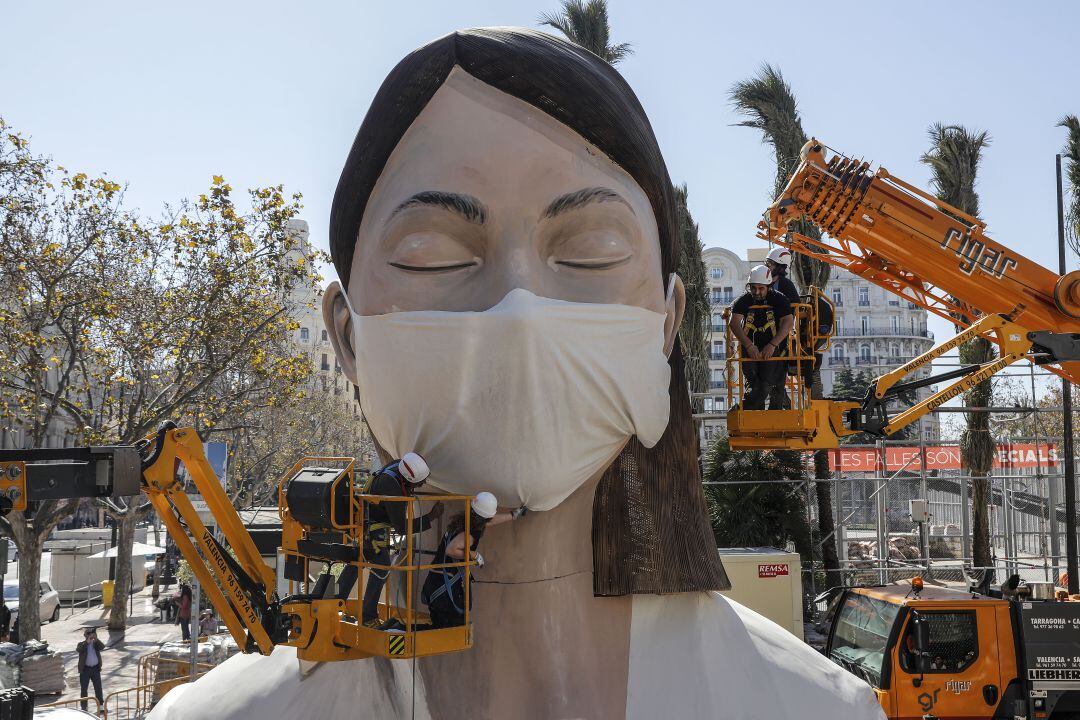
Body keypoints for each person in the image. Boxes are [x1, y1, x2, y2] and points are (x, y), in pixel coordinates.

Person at [336, 453, 443, 627]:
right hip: (372, 528)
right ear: (408, 478)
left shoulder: (398, 466)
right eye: (419, 482)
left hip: (363, 521)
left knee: (356, 562)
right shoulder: (392, 487)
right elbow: (402, 527)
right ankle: (368, 617)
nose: (423, 484)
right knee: (382, 567)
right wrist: (430, 517)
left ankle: (336, 602)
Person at [421, 492, 519, 629]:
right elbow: (451, 549)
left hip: (437, 583)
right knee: (449, 628)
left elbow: (488, 522)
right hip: (444, 589)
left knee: (440, 626)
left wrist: (512, 515)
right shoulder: (470, 532)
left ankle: (396, 627)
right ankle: (397, 629)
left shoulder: (465, 521)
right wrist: (474, 555)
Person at [730, 265, 795, 410]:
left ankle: (743, 408)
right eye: (753, 288)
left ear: (769, 286)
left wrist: (772, 345)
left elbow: (788, 322)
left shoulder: (779, 299)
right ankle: (753, 415)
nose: (757, 292)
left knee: (766, 386)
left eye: (761, 288)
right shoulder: (745, 300)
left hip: (774, 350)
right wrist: (748, 345)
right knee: (754, 385)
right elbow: (734, 323)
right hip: (750, 349)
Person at [77, 627, 104, 712]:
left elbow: (102, 647)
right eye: (89, 634)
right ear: (85, 635)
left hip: (95, 669)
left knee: (98, 688)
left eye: (92, 634)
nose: (91, 636)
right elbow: (79, 650)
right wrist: (87, 642)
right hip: (85, 670)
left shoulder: (96, 643)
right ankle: (84, 707)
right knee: (84, 689)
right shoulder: (81, 644)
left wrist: (96, 639)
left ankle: (101, 706)